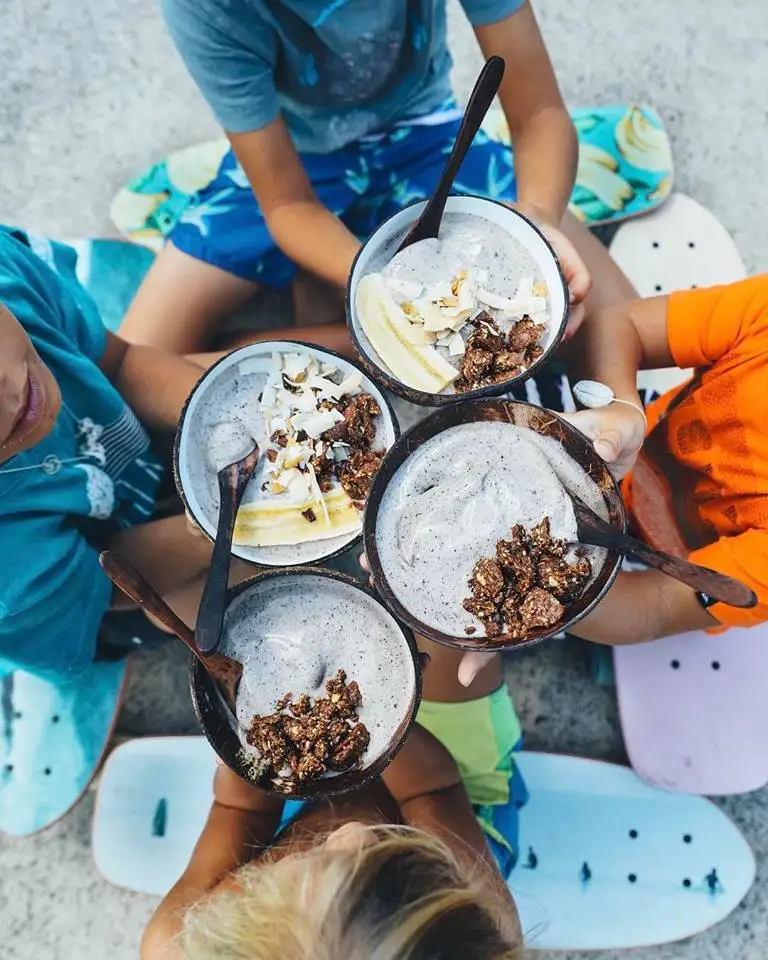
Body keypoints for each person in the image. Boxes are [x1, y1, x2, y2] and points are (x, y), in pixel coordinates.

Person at [119, 0, 633, 353]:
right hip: (290, 160)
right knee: (135, 367)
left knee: (618, 316)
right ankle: (341, 330)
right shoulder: (204, 8)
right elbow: (288, 206)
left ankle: (323, 324)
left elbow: (539, 111)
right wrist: (384, 289)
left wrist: (537, 217)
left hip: (428, 137)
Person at [141, 643, 525, 960]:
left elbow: (241, 810)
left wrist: (251, 754)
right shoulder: (473, 915)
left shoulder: (182, 936)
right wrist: (380, 721)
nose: (352, 833)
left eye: (308, 863)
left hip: (300, 806)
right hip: (447, 799)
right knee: (456, 641)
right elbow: (433, 789)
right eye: (381, 860)